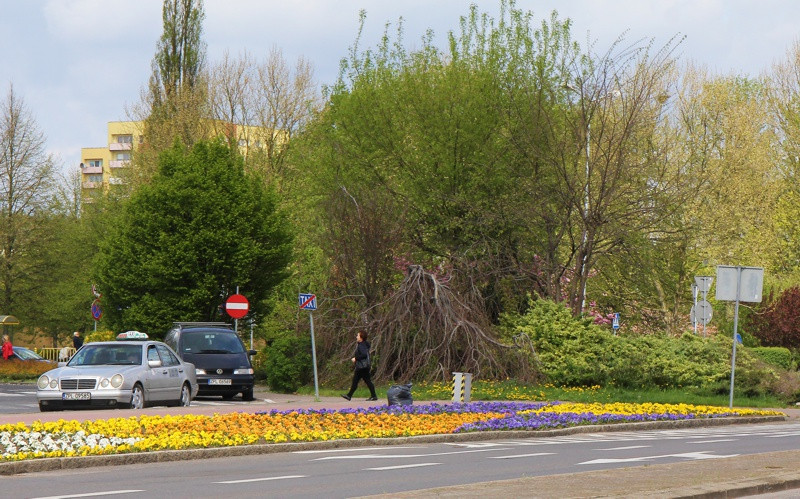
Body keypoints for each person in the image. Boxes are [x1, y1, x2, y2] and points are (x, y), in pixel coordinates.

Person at [341, 330, 378, 401]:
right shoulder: (364, 344)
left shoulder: (361, 345)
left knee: (357, 380)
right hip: (364, 367)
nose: (356, 337)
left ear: (361, 337)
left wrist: (356, 358)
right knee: (366, 381)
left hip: (362, 367)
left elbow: (364, 355)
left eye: (358, 335)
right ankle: (373, 396)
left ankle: (349, 395)